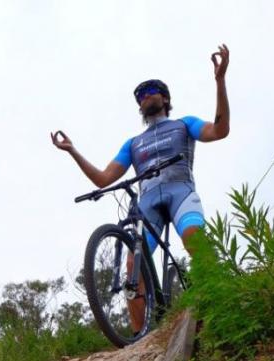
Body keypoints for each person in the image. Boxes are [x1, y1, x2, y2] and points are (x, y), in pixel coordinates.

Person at [51, 44, 230, 331]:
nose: (146, 97)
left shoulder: (185, 125)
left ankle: (221, 301)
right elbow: (102, 178)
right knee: (132, 269)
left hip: (181, 192)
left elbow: (219, 131)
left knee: (195, 239)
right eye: (141, 96)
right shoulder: (133, 144)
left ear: (165, 98)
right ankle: (138, 338)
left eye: (151, 92)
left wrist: (220, 82)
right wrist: (73, 151)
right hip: (147, 203)